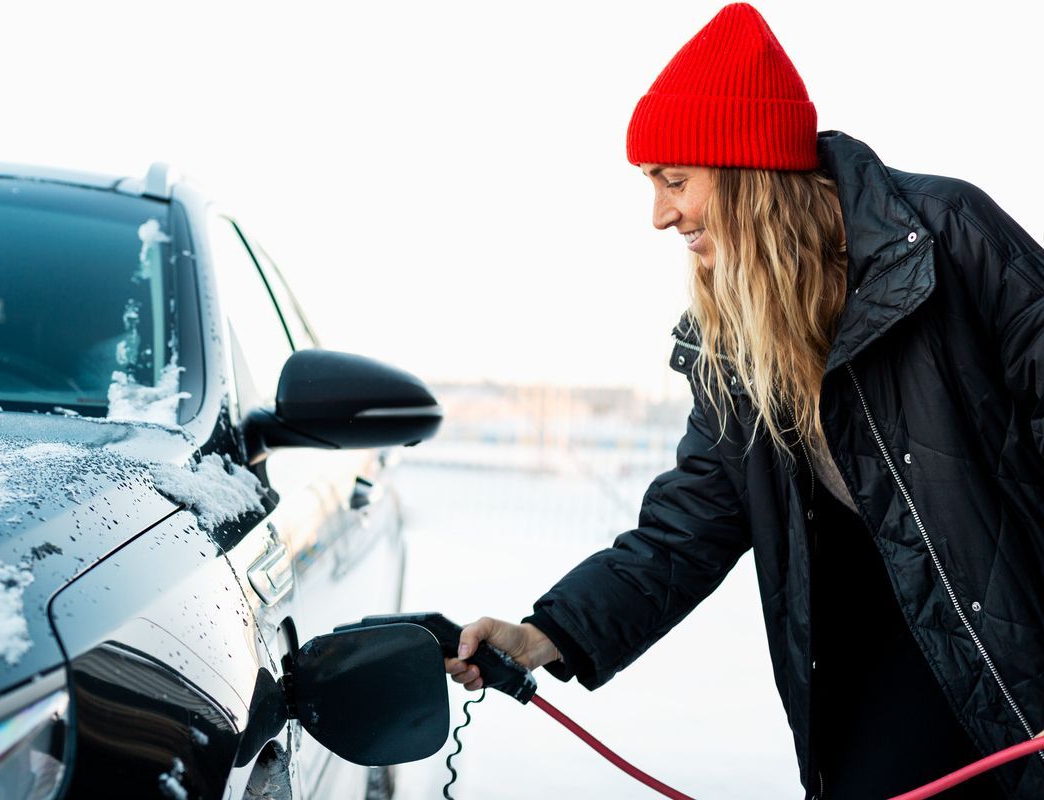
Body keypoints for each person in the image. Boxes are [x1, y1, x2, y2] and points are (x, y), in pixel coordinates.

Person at [442, 4, 1044, 799]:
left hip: (1015, 645)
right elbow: (686, 527)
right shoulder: (733, 341)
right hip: (870, 682)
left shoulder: (945, 238)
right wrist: (546, 634)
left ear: (747, 169)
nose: (660, 214)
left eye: (675, 180)